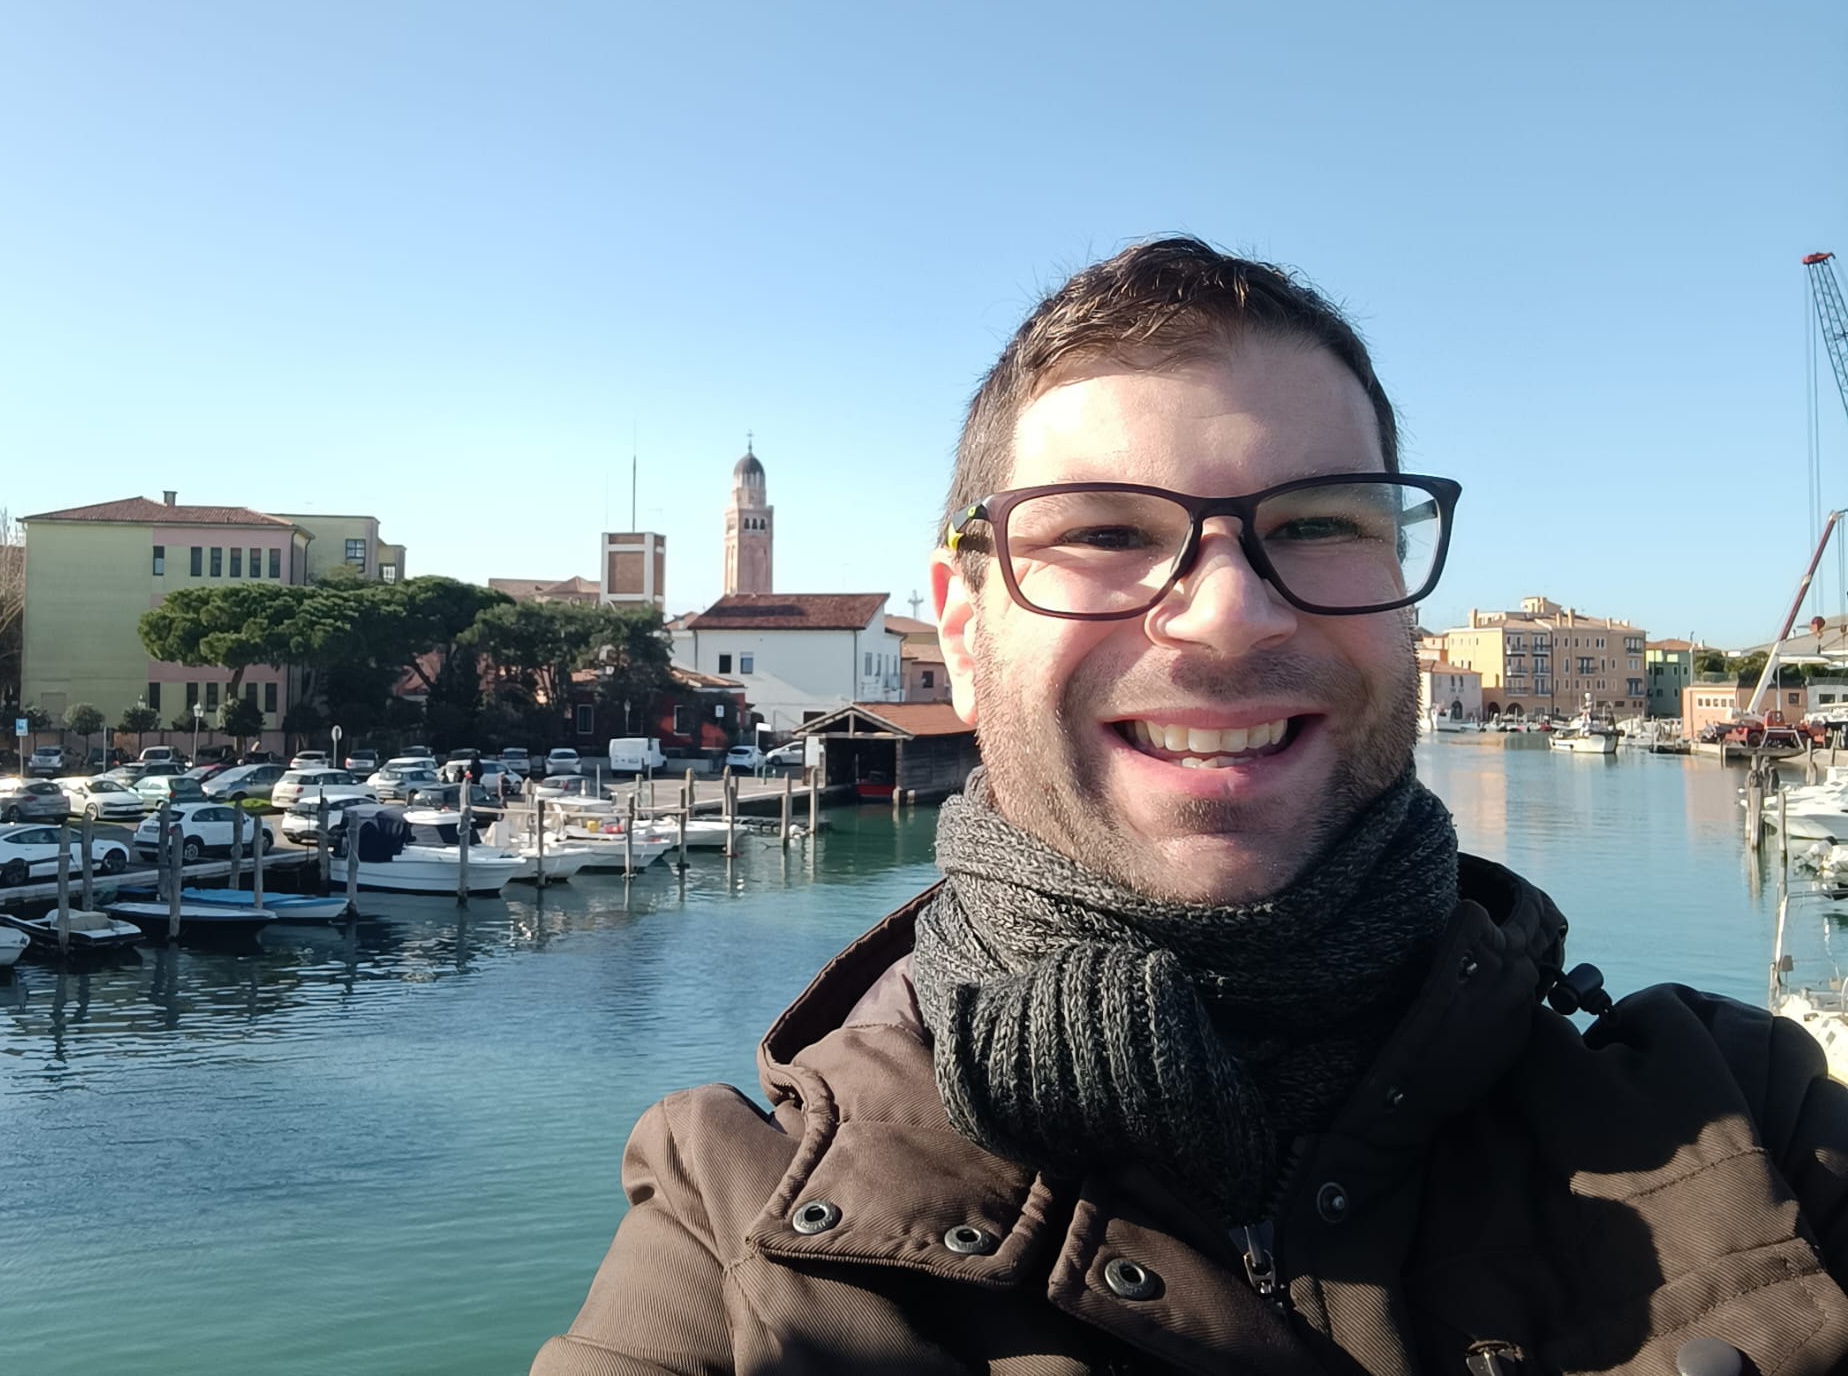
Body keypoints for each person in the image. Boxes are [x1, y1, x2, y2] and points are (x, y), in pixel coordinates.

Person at [534, 239, 1848, 1374]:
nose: (1227, 614)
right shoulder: (731, 1230)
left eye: (1322, 524)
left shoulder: (1758, 1126)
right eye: (1104, 532)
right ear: (965, 634)